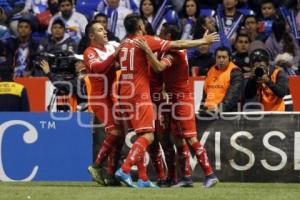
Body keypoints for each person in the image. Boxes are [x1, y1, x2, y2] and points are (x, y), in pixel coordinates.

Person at [114, 13, 219, 188]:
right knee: (163, 138)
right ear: (139, 26)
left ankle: (207, 174)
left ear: (168, 36)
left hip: (172, 98)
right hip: (156, 97)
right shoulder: (147, 43)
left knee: (179, 137)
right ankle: (171, 177)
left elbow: (162, 63)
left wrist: (202, 40)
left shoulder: (128, 44)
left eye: (163, 32)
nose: (158, 34)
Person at [83, 21, 124, 186]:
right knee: (115, 132)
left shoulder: (110, 48)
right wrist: (115, 56)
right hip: (99, 98)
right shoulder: (89, 52)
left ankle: (111, 175)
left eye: (104, 29)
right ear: (92, 36)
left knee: (120, 135)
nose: (105, 32)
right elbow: (99, 68)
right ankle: (96, 166)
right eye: (100, 30)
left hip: (112, 96)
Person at [200, 46, 244, 112]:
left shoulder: (235, 72)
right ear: (215, 58)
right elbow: (205, 93)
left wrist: (218, 109)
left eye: (224, 57)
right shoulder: (210, 71)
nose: (221, 60)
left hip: (226, 113)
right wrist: (202, 107)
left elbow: (233, 95)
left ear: (229, 58)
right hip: (208, 111)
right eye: (219, 57)